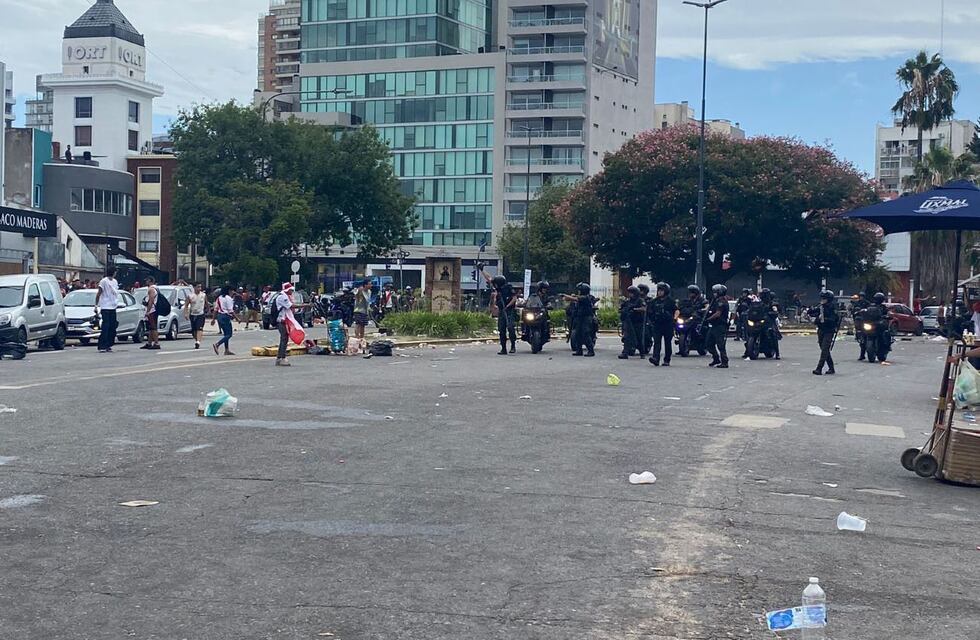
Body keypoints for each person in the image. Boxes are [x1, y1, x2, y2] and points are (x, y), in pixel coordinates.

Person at [484, 272, 516, 354]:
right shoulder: (498, 289)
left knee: (511, 328)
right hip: (502, 311)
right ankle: (503, 349)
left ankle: (513, 346)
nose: (494, 285)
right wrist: (482, 270)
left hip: (509, 311)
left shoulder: (508, 288)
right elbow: (489, 279)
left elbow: (514, 298)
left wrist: (508, 306)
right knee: (501, 330)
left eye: (496, 283)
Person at [809, 290, 839, 375]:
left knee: (825, 349)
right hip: (821, 329)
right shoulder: (821, 306)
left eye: (824, 298)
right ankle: (831, 368)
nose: (822, 300)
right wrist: (811, 310)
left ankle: (819, 368)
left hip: (829, 330)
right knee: (823, 349)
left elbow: (834, 319)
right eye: (822, 298)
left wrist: (824, 319)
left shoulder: (833, 308)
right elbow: (812, 312)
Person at [563, 282, 597, 357]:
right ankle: (579, 350)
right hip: (579, 318)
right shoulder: (582, 297)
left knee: (585, 334)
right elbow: (576, 298)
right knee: (577, 334)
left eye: (579, 290)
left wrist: (566, 296)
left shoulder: (586, 298)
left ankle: (591, 351)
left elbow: (575, 298)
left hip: (586, 318)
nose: (578, 291)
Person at [648, 282, 678, 367]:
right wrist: (651, 320)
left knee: (667, 343)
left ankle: (667, 360)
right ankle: (655, 358)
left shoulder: (670, 301)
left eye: (661, 290)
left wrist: (674, 319)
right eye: (659, 290)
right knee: (657, 342)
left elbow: (676, 310)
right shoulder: (654, 301)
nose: (659, 292)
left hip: (667, 324)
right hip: (657, 324)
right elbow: (650, 311)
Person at [94, 266, 120, 353]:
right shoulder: (104, 281)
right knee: (106, 326)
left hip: (113, 306)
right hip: (105, 306)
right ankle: (102, 345)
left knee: (113, 326)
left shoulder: (115, 281)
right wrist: (96, 305)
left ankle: (109, 344)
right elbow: (99, 293)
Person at [705, 284, 730, 368]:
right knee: (708, 343)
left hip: (720, 325)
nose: (714, 294)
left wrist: (708, 319)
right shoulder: (715, 301)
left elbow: (718, 314)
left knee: (720, 344)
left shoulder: (721, 301)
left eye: (715, 292)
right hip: (714, 325)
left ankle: (724, 361)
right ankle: (716, 358)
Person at [618, 286, 645, 359]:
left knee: (638, 338)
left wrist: (635, 309)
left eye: (632, 293)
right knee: (627, 337)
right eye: (629, 293)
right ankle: (625, 353)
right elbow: (621, 308)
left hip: (637, 322)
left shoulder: (640, 301)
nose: (630, 294)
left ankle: (642, 353)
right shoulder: (628, 301)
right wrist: (622, 310)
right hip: (629, 321)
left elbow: (643, 308)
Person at [272, 282, 296, 367]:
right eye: (290, 290)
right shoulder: (282, 297)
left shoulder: (287, 296)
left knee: (284, 339)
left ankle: (280, 358)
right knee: (284, 338)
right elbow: (291, 306)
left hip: (284, 321)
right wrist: (306, 305)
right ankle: (281, 357)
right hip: (281, 321)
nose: (292, 291)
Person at [211, 285, 236, 356]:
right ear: (229, 291)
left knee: (225, 334)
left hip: (219, 316)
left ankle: (226, 350)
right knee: (229, 334)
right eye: (232, 291)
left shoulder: (219, 298)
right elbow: (230, 310)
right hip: (226, 316)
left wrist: (213, 319)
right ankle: (217, 344)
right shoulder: (228, 298)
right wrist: (237, 318)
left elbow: (215, 309)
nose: (233, 292)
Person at [759, 288, 782, 360]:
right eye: (762, 294)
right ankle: (747, 352)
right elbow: (752, 309)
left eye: (764, 294)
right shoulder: (759, 303)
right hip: (759, 321)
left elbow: (776, 311)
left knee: (772, 333)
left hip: (770, 322)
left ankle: (777, 353)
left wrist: (772, 313)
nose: (763, 296)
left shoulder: (772, 303)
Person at [184, 282, 208, 349]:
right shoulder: (190, 296)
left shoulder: (203, 295)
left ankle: (198, 342)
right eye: (198, 287)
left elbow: (206, 303)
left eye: (200, 287)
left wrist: (208, 310)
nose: (199, 288)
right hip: (193, 314)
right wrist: (186, 314)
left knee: (199, 328)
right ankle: (197, 339)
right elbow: (186, 305)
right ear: (194, 287)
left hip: (201, 314)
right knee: (194, 331)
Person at [141, 276, 161, 350]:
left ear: (150, 281)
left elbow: (151, 300)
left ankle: (156, 343)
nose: (146, 282)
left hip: (152, 310)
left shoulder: (151, 289)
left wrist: (148, 311)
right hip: (154, 310)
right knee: (150, 328)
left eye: (147, 280)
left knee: (153, 327)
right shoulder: (156, 288)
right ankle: (149, 343)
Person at [851, 291, 871, 360]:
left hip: (866, 321)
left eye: (862, 296)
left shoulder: (867, 303)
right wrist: (854, 312)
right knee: (862, 340)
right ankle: (862, 355)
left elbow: (871, 311)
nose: (861, 298)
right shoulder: (857, 303)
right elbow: (853, 311)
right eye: (860, 296)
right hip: (859, 320)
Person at [637, 283, 653, 356]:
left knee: (648, 326)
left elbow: (652, 309)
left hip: (646, 317)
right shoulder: (635, 299)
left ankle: (648, 341)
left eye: (642, 290)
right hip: (636, 318)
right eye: (639, 290)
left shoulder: (650, 300)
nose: (640, 292)